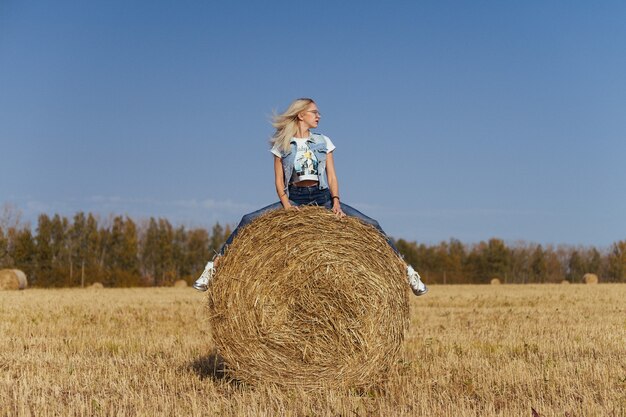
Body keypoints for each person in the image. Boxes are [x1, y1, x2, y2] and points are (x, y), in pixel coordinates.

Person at [193, 98, 427, 296]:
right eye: (315, 112)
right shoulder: (282, 144)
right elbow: (278, 180)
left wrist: (335, 201)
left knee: (373, 225)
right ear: (300, 115)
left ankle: (407, 271)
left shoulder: (323, 141)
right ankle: (212, 268)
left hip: (323, 197)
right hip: (294, 198)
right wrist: (285, 205)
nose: (319, 116)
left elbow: (332, 175)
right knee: (247, 219)